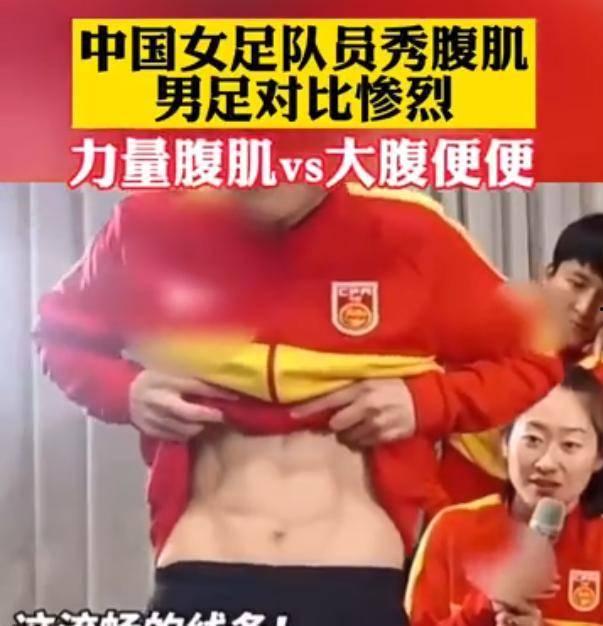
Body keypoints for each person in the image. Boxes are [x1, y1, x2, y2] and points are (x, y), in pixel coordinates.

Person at [34, 183, 564, 624]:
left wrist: (424, 400)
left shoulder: (410, 232)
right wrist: (126, 391)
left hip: (355, 577)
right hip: (204, 568)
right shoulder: (152, 223)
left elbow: (535, 353)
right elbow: (60, 334)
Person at [405, 364, 603, 626]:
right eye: (533, 439)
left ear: (598, 457)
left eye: (570, 445)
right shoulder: (452, 530)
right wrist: (486, 606)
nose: (546, 463)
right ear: (505, 443)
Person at [438, 214, 603, 511]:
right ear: (548, 274)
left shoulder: (593, 368)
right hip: (450, 498)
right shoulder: (491, 328)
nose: (585, 308)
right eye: (577, 284)